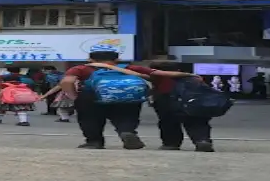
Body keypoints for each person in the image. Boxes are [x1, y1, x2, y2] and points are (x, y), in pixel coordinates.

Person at [60, 51, 200, 150]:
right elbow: (159, 73)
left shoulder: (81, 68)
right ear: (117, 60)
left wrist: (73, 96)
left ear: (90, 59)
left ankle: (94, 142)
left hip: (91, 97)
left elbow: (67, 81)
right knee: (126, 117)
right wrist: (189, 74)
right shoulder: (128, 68)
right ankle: (127, 131)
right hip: (127, 98)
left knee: (90, 119)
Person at [148, 60, 214, 152]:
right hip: (193, 104)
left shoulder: (158, 78)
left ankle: (171, 144)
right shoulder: (192, 79)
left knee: (168, 123)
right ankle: (202, 140)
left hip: (168, 104)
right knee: (197, 123)